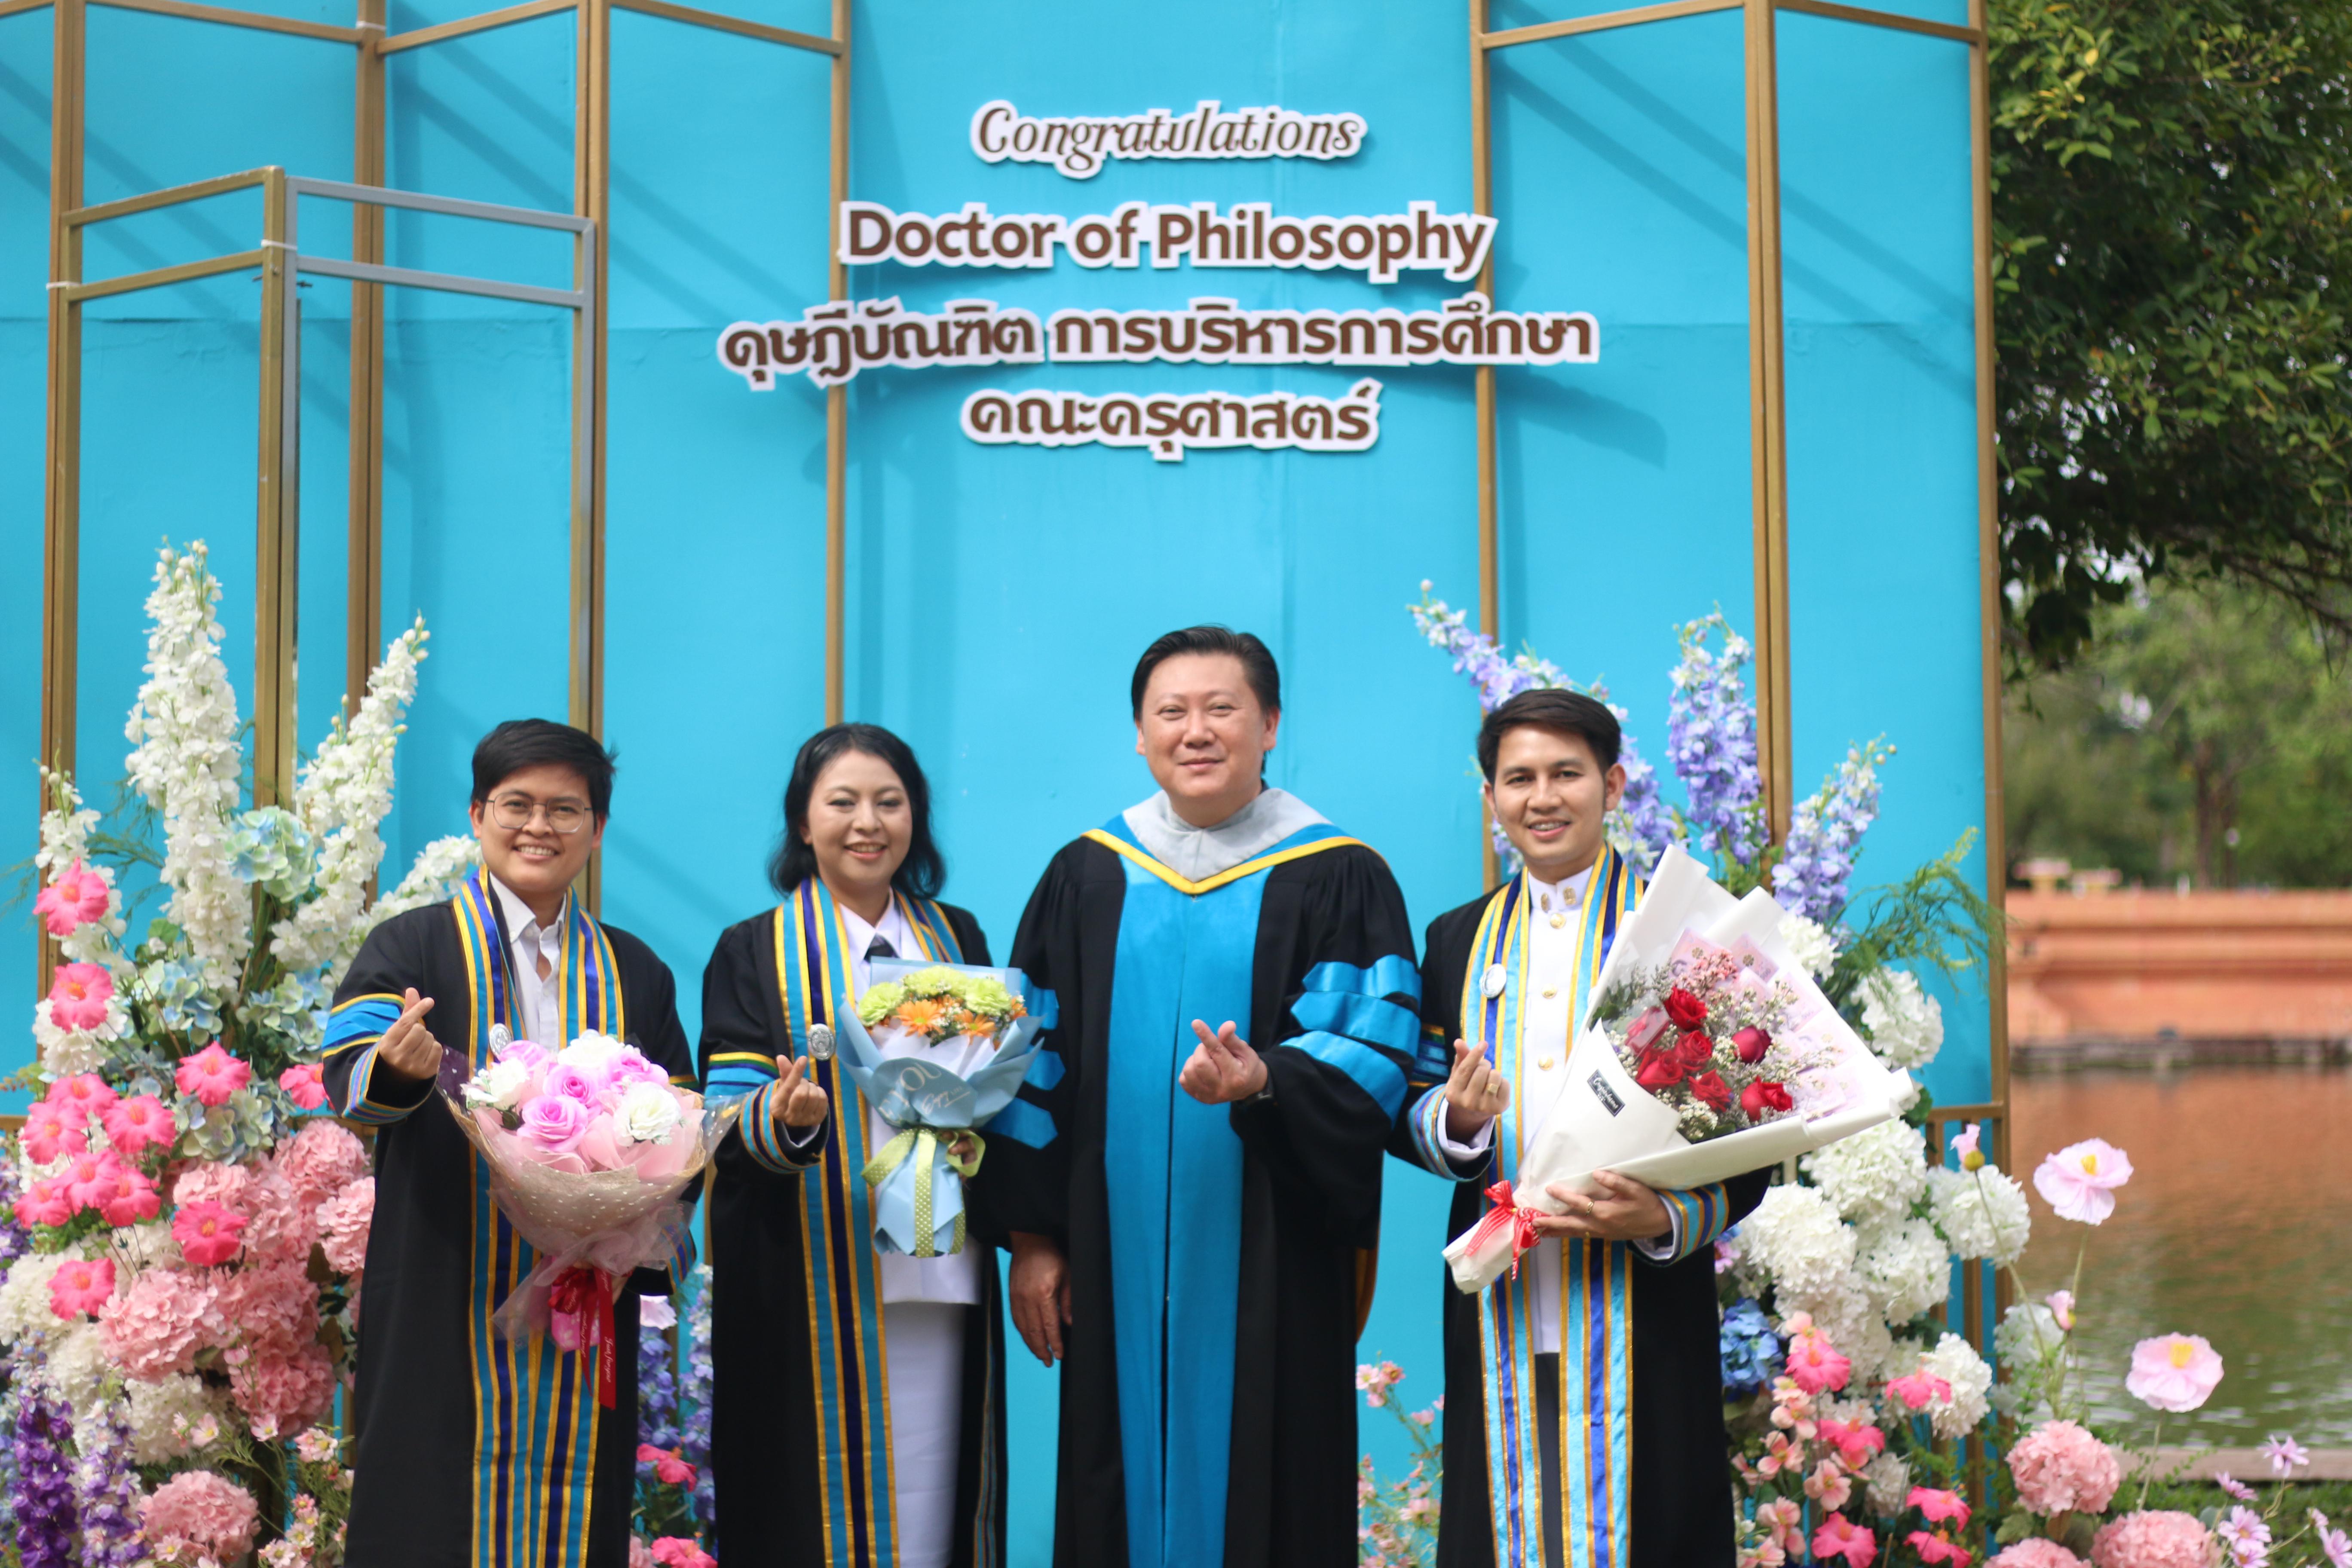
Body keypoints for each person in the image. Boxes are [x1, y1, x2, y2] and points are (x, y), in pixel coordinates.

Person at [979, 626, 1420, 1568]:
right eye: (1171, 712)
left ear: (1269, 724)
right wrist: (1035, 1239)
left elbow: (1372, 1057)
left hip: (1274, 1254)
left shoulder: (1339, 872)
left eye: (1223, 709)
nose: (1197, 731)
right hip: (1109, 1252)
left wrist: (1267, 1080)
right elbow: (1028, 1060)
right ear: (1139, 734)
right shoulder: (1086, 873)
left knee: (1272, 1481)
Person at [1395, 689, 1770, 1568]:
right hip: (1502, 1292)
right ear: (1490, 798)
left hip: (1645, 1301)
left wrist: (1663, 1217)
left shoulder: (1683, 934)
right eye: (1518, 778)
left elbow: (1751, 1135)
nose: (1543, 797)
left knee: (1656, 1525)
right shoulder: (1456, 941)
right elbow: (1410, 1098)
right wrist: (1458, 1118)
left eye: (1567, 773)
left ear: (1615, 784)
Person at [322, 719, 697, 1568]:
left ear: (597, 830)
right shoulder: (412, 945)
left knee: (577, 1502)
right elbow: (345, 1075)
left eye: (567, 810)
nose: (540, 827)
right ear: (478, 815)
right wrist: (397, 1068)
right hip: (444, 1275)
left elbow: (680, 1116)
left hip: (585, 1289)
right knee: (427, 1500)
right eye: (517, 805)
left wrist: (632, 1208)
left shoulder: (635, 970)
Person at [698, 723, 1006, 1568]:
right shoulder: (754, 951)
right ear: (804, 823)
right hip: (808, 1274)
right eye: (842, 802)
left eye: (889, 802)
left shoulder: (959, 938)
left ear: (916, 819)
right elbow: (724, 1115)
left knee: (941, 1476)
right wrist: (790, 1115)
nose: (867, 822)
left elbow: (993, 1083)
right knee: (809, 1501)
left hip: (940, 1264)